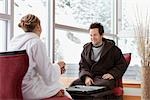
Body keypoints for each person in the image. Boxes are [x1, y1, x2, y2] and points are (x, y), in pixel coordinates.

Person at [8, 14, 71, 99]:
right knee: (60, 87)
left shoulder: (13, 43)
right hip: (30, 91)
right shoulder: (36, 43)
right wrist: (58, 66)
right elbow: (49, 76)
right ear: (38, 27)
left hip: (14, 89)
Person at [70, 22, 128, 98]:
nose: (92, 37)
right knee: (74, 85)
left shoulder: (113, 49)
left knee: (97, 91)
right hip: (90, 77)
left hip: (103, 79)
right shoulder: (86, 49)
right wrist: (86, 77)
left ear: (101, 35)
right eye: (91, 35)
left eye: (95, 35)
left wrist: (112, 74)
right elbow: (82, 66)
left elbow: (121, 64)